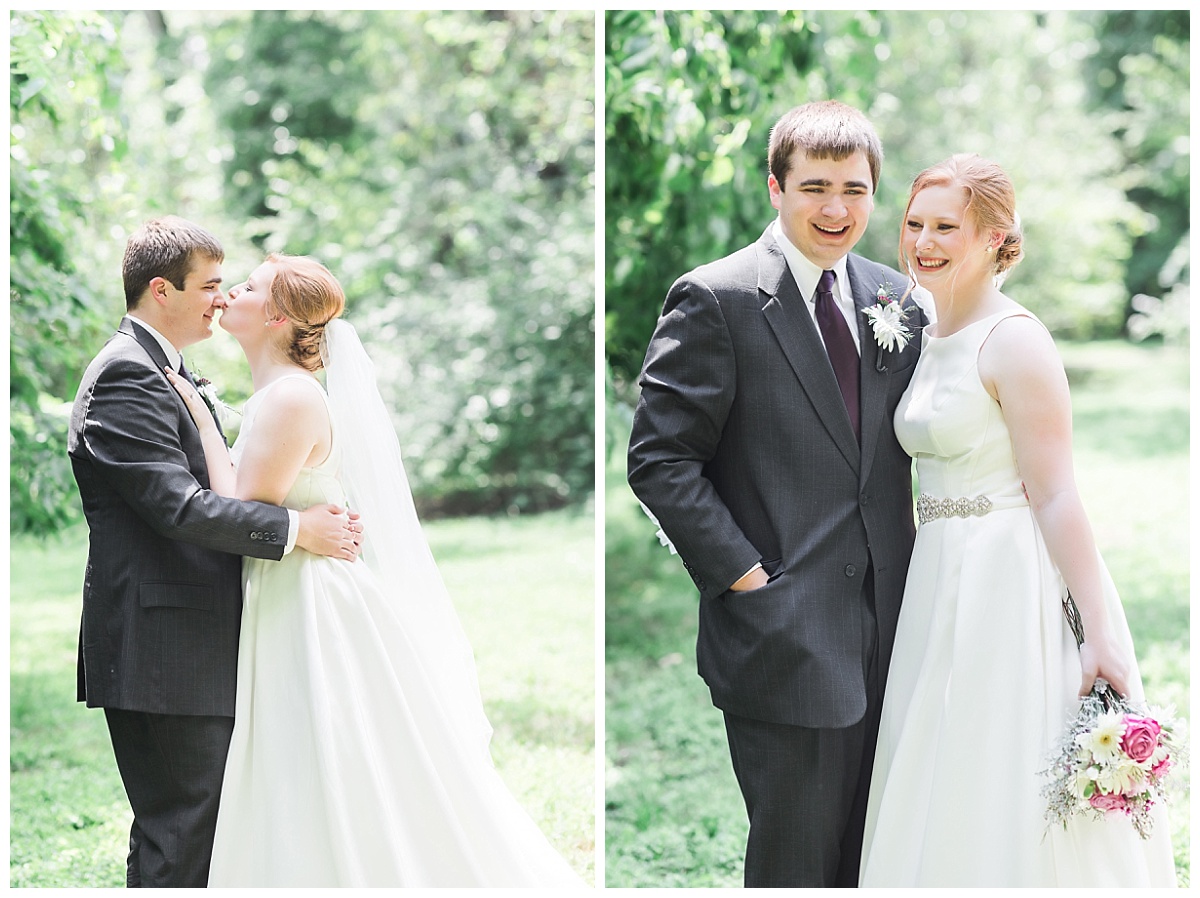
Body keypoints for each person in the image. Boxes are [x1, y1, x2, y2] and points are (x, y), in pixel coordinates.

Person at [164, 252, 585, 887]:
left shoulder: (291, 399)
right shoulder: (278, 396)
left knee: (325, 755)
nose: (230, 296)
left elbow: (239, 509)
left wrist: (198, 417)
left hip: (308, 604)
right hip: (285, 586)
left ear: (277, 316)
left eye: (247, 287)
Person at [627, 100, 929, 887]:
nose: (836, 209)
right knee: (796, 861)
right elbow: (660, 461)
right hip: (783, 630)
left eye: (855, 190)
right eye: (815, 187)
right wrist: (747, 577)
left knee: (878, 852)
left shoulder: (895, 297)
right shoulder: (715, 299)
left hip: (900, 628)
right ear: (775, 188)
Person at [858, 154, 1176, 886]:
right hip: (936, 573)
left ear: (997, 239)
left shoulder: (1016, 340)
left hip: (1007, 576)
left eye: (948, 228)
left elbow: (1058, 494)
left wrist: (1099, 630)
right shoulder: (925, 330)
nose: (924, 243)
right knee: (937, 755)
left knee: (999, 753)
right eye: (915, 224)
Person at [67, 217, 362, 888]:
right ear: (161, 290)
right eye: (210, 286)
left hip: (191, 636)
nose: (221, 299)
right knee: (183, 834)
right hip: (164, 643)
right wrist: (297, 531)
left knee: (193, 828)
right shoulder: (125, 376)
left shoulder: (163, 370)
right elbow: (179, 508)